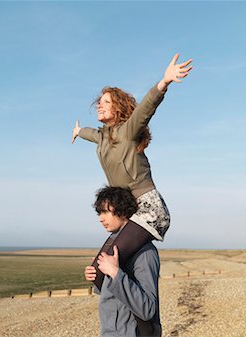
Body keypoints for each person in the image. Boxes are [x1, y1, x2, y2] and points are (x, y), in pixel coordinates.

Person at [72, 53, 193, 263]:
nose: (99, 105)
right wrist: (78, 130)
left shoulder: (129, 131)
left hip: (148, 210)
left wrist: (164, 82)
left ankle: (141, 295)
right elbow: (90, 133)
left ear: (118, 107)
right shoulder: (102, 137)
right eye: (99, 102)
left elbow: (146, 108)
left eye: (105, 102)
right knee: (95, 271)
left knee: (107, 264)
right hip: (125, 212)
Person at [85, 186, 161, 337]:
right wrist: (97, 276)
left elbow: (148, 310)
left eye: (105, 211)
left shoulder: (145, 253)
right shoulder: (115, 247)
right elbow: (115, 299)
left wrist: (114, 273)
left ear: (123, 210)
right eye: (99, 213)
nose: (101, 218)